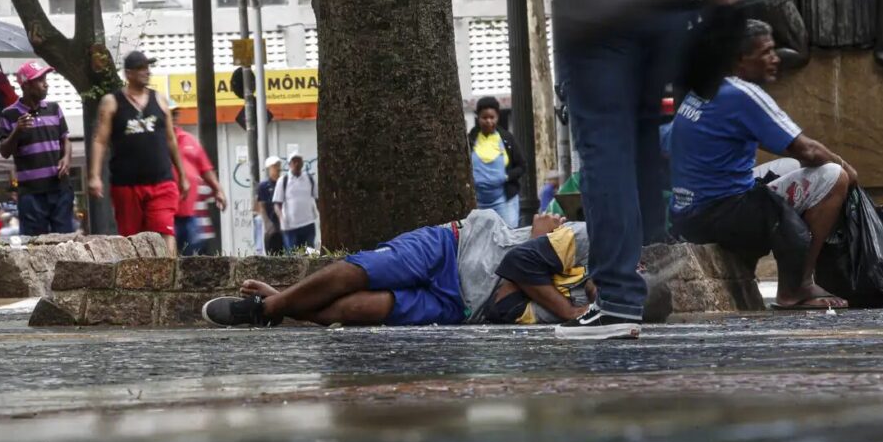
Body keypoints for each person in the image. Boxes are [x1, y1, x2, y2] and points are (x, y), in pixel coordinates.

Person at [669, 19, 856, 310]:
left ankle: (795, 279)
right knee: (835, 177)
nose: (775, 58)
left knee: (791, 165)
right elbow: (807, 149)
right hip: (719, 215)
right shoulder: (742, 94)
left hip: (689, 213)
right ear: (740, 58)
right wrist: (848, 168)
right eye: (766, 51)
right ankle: (797, 287)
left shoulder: (706, 86)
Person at [552, 0, 703, 339]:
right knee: (640, 140)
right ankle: (649, 260)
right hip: (661, 19)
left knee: (605, 149)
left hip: (601, 19)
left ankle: (619, 295)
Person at [201, 210, 607, 333]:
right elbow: (516, 265)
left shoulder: (588, 316)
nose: (599, 296)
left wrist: (534, 254)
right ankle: (266, 310)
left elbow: (505, 308)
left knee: (362, 310)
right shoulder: (591, 242)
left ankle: (277, 302)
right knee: (360, 272)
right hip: (455, 245)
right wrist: (562, 304)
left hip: (461, 307)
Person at [87, 51, 187, 256]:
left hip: (161, 181)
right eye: (141, 68)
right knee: (131, 239)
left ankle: (171, 280)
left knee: (165, 231)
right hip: (127, 184)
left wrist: (182, 175)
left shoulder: (159, 99)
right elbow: (100, 139)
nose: (146, 72)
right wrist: (95, 176)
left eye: (147, 67)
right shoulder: (112, 102)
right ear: (128, 73)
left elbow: (171, 140)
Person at [0, 61, 73, 236]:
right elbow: (4, 151)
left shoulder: (54, 109)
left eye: (45, 79)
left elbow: (66, 140)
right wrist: (17, 130)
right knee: (35, 246)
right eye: (40, 80)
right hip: (31, 194)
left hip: (60, 190)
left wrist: (66, 159)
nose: (46, 83)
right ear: (26, 85)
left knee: (66, 244)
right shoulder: (9, 114)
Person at [169, 101, 226, 255]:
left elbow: (206, 168)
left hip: (190, 213)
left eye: (175, 113)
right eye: (169, 113)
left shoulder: (189, 140)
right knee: (169, 258)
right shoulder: (158, 142)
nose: (174, 117)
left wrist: (218, 189)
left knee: (194, 258)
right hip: (167, 214)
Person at [467, 96, 526, 227]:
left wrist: (506, 177)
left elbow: (522, 166)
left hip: (504, 201)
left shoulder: (506, 139)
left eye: (492, 117)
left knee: (508, 234)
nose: (488, 121)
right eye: (484, 117)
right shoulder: (470, 140)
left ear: (497, 117)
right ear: (478, 117)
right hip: (479, 203)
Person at [272, 152, 318, 251]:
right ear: (289, 164)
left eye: (298, 161)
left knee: (310, 255)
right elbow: (277, 204)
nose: (296, 164)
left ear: (302, 163)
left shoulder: (309, 178)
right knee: (292, 258)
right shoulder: (283, 180)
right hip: (290, 227)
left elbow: (316, 198)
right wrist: (281, 219)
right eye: (294, 161)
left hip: (308, 224)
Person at [257, 155, 284, 254]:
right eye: (274, 166)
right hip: (271, 226)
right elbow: (261, 206)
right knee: (273, 254)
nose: (277, 168)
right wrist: (268, 225)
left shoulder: (284, 183)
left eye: (278, 165)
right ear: (269, 168)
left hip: (285, 226)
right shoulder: (263, 186)